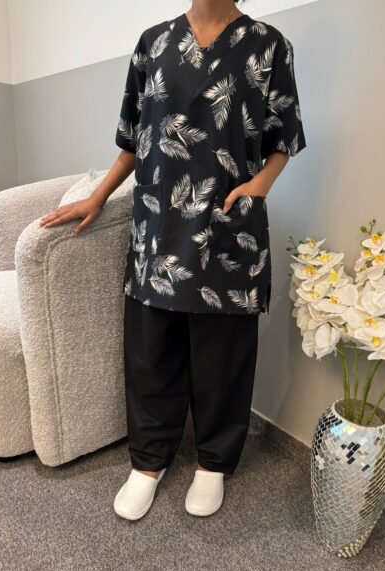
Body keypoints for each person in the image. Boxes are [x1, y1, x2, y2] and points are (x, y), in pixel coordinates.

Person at [39, 0, 307, 520]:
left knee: (223, 350)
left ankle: (212, 462)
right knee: (151, 348)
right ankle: (148, 461)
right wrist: (98, 196)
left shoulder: (269, 45)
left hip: (228, 222)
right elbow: (133, 141)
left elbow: (283, 138)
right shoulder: (153, 44)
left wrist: (260, 186)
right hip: (158, 224)